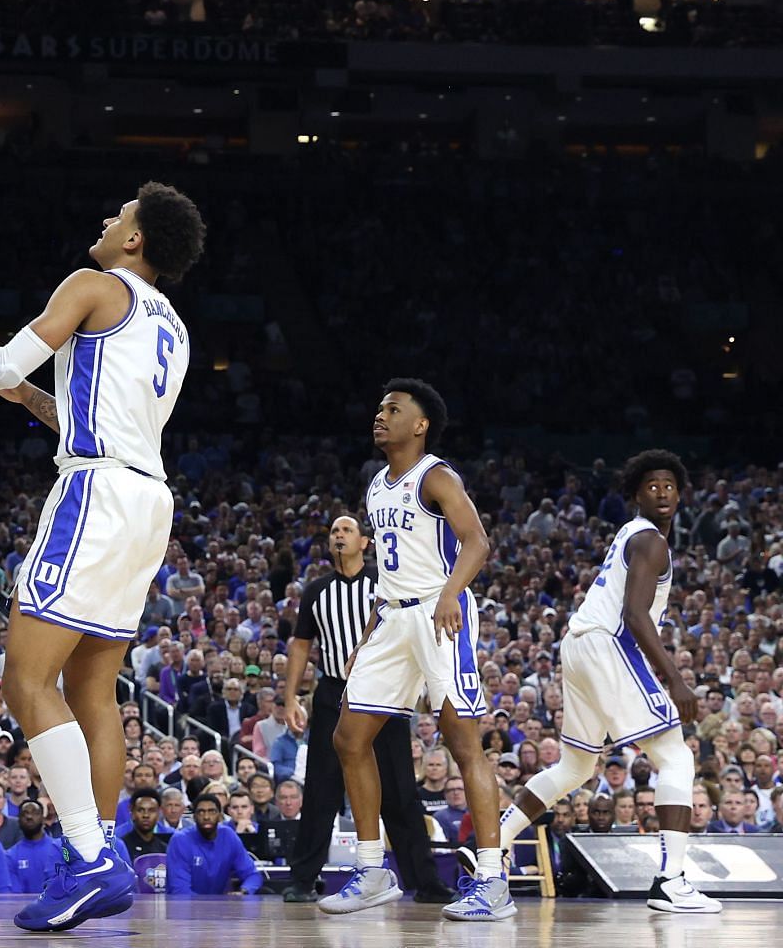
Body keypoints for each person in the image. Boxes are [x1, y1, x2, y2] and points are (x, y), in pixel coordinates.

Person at [0, 182, 206, 931]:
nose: (106, 220)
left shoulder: (93, 284)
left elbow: (10, 358)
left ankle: (91, 856)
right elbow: (91, 414)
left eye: (120, 216)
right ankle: (95, 854)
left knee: (25, 679)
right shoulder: (172, 323)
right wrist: (33, 400)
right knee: (94, 690)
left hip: (97, 495)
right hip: (148, 500)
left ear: (135, 241)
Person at [319, 382, 513, 923]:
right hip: (391, 615)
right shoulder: (378, 485)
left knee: (462, 743)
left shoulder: (437, 475)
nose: (380, 415)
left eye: (394, 409)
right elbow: (391, 569)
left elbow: (477, 541)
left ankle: (494, 882)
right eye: (380, 407)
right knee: (348, 737)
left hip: (438, 612)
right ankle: (373, 870)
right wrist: (364, 639)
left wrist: (451, 593)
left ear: (421, 424)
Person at [493, 450, 720, 914]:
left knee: (576, 768)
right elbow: (634, 615)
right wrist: (674, 680)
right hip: (606, 643)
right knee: (676, 757)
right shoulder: (651, 541)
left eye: (670, 485)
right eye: (651, 485)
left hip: (579, 645)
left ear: (681, 494)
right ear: (635, 494)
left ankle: (493, 841)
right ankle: (671, 881)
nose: (662, 492)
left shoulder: (631, 535)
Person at [279, 514, 444, 903]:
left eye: (347, 530)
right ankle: (303, 880)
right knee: (321, 787)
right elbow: (301, 644)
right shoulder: (315, 590)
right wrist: (290, 697)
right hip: (333, 690)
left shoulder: (383, 584)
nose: (339, 535)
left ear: (365, 543)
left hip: (383, 692)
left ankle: (424, 881)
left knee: (400, 788)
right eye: (334, 531)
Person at [165, 795, 263, 896]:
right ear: (194, 817)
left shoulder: (228, 836)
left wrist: (244, 892)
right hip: (186, 908)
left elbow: (252, 875)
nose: (206, 817)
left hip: (222, 907)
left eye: (212, 811)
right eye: (201, 812)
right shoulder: (180, 840)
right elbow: (180, 890)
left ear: (220, 816)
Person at [5, 799, 67, 893]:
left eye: (35, 813)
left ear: (43, 818)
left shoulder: (59, 849)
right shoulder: (10, 856)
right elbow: (15, 896)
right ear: (19, 819)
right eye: (25, 813)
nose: (29, 816)